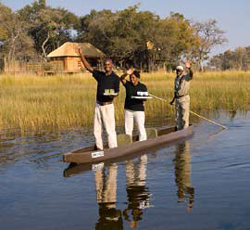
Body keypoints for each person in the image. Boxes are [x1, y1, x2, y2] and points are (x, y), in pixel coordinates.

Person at [76, 48, 120, 150]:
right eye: (105, 65)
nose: (107, 67)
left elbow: (117, 92)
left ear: (112, 66)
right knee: (97, 129)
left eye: (109, 65)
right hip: (98, 105)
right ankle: (100, 149)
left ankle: (113, 149)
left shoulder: (115, 78)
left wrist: (112, 95)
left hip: (108, 106)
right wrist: (81, 55)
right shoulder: (100, 75)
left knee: (110, 130)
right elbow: (88, 67)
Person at [120, 69, 148, 141]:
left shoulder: (142, 87)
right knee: (128, 129)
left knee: (140, 128)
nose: (132, 79)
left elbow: (145, 98)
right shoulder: (128, 84)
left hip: (138, 110)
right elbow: (121, 78)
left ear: (137, 78)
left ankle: (142, 143)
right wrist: (126, 73)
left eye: (133, 77)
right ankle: (128, 144)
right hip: (128, 110)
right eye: (130, 77)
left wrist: (141, 97)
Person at [170, 61, 194, 130]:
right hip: (177, 99)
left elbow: (192, 74)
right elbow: (176, 91)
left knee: (184, 116)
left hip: (184, 98)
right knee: (177, 116)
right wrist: (173, 100)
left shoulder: (186, 77)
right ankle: (179, 130)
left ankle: (185, 130)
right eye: (177, 71)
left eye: (179, 71)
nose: (178, 72)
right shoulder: (176, 79)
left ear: (182, 71)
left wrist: (189, 68)